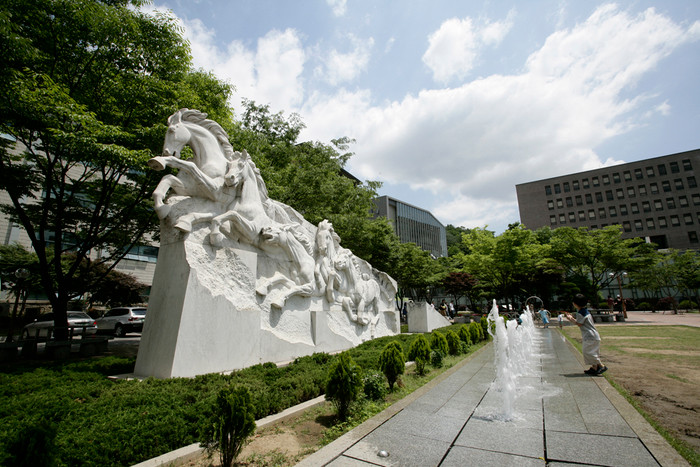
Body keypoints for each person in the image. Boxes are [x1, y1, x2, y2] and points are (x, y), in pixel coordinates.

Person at [565, 293, 607, 375]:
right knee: (591, 352)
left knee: (588, 352)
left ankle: (601, 366)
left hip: (590, 336)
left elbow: (579, 323)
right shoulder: (585, 311)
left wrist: (570, 318)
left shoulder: (581, 313)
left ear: (575, 303)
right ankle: (594, 368)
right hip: (593, 335)